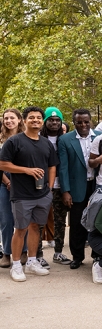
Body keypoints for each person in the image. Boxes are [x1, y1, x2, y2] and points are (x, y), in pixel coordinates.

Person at [0, 106, 59, 281]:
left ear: (42, 121)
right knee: (20, 229)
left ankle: (32, 262)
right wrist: (26, 170)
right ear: (24, 121)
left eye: (39, 118)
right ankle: (16, 265)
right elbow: (3, 165)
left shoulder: (46, 142)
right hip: (21, 195)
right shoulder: (14, 141)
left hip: (42, 195)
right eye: (31, 118)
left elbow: (52, 165)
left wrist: (49, 187)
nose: (35, 120)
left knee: (35, 227)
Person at [57, 108, 101, 269]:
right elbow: (63, 168)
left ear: (91, 121)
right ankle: (77, 256)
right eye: (79, 122)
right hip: (76, 187)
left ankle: (97, 255)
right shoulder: (65, 140)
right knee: (76, 223)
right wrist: (65, 191)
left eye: (86, 122)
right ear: (74, 122)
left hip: (97, 185)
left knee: (97, 221)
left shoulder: (99, 136)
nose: (83, 125)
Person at [39, 106, 65, 267]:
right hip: (41, 186)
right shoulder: (38, 139)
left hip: (60, 186)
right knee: (39, 220)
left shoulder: (65, 139)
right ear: (45, 122)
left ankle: (58, 252)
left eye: (57, 120)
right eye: (51, 120)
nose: (54, 122)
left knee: (60, 221)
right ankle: (37, 255)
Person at [0, 108, 26, 268]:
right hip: (3, 181)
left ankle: (24, 250)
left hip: (23, 181)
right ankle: (7, 253)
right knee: (6, 218)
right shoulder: (0, 140)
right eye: (6, 118)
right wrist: (7, 181)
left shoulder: (25, 138)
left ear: (19, 119)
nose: (9, 121)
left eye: (12, 118)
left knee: (23, 217)